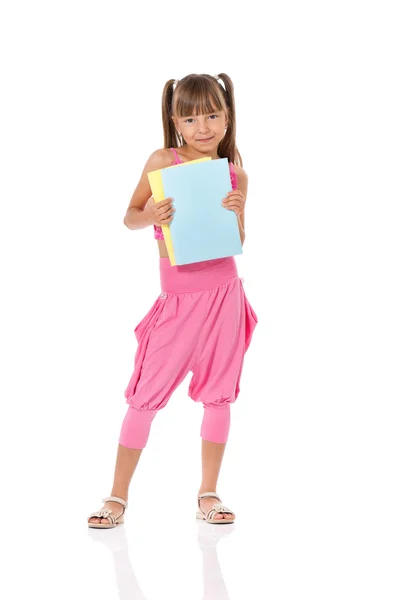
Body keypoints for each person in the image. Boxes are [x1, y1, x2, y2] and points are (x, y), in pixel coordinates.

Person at [88, 73, 258, 529]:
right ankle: (116, 496)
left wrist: (238, 212)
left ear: (227, 117)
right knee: (144, 396)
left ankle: (209, 492)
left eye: (212, 115)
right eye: (190, 117)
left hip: (224, 295)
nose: (203, 126)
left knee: (220, 395)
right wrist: (152, 215)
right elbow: (129, 217)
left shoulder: (235, 172)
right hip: (178, 299)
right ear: (175, 121)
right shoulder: (164, 161)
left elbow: (237, 239)